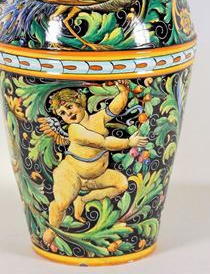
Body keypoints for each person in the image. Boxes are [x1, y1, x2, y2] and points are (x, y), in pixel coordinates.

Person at [42, 80, 148, 245]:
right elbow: (103, 143)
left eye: (69, 107)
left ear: (79, 102)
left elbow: (114, 109)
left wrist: (123, 93)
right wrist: (128, 142)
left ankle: (83, 199)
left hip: (95, 175)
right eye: (62, 113)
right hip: (72, 173)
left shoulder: (97, 119)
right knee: (62, 203)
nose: (68, 114)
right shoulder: (74, 129)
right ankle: (51, 230)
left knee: (121, 184)